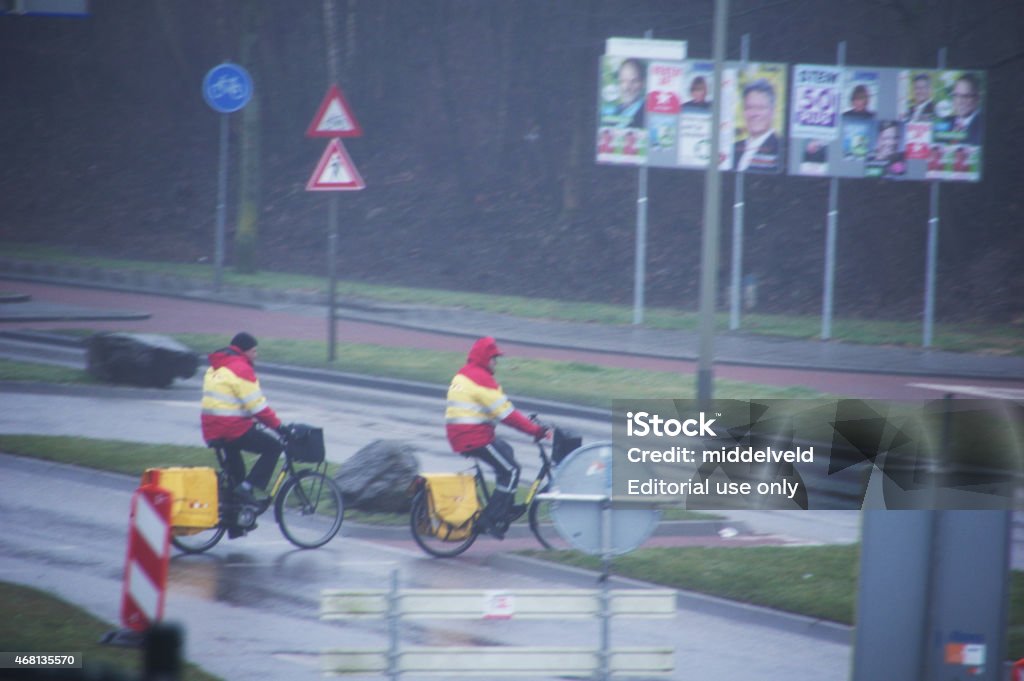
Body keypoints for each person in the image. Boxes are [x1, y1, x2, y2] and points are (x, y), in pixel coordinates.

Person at [445, 336, 548, 539]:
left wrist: (529, 425)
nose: (496, 363)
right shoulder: (481, 380)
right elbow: (507, 415)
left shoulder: (466, 374)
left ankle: (505, 506)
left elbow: (492, 409)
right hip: (473, 436)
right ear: (485, 358)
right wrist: (536, 431)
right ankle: (491, 519)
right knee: (511, 471)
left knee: (505, 450)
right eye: (494, 358)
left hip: (464, 433)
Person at [200, 332, 287, 506]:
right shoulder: (241, 369)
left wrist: (248, 419)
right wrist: (279, 428)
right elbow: (258, 408)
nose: (256, 355)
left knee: (236, 472)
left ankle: (235, 510)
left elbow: (228, 402)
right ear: (244, 351)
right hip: (231, 428)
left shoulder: (216, 367)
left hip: (212, 428)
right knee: (273, 447)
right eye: (254, 351)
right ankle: (247, 488)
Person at [733, 79, 781, 173]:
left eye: (760, 108)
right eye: (749, 107)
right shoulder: (732, 149)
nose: (754, 114)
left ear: (773, 111)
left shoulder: (781, 150)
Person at [943, 73, 983, 145]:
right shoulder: (946, 122)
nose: (960, 101)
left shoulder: (984, 126)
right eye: (956, 95)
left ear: (977, 98)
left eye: (966, 96)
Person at [613, 58, 645, 129]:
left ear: (643, 84)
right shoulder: (616, 110)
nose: (626, 87)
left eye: (633, 81)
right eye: (623, 81)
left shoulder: (646, 113)